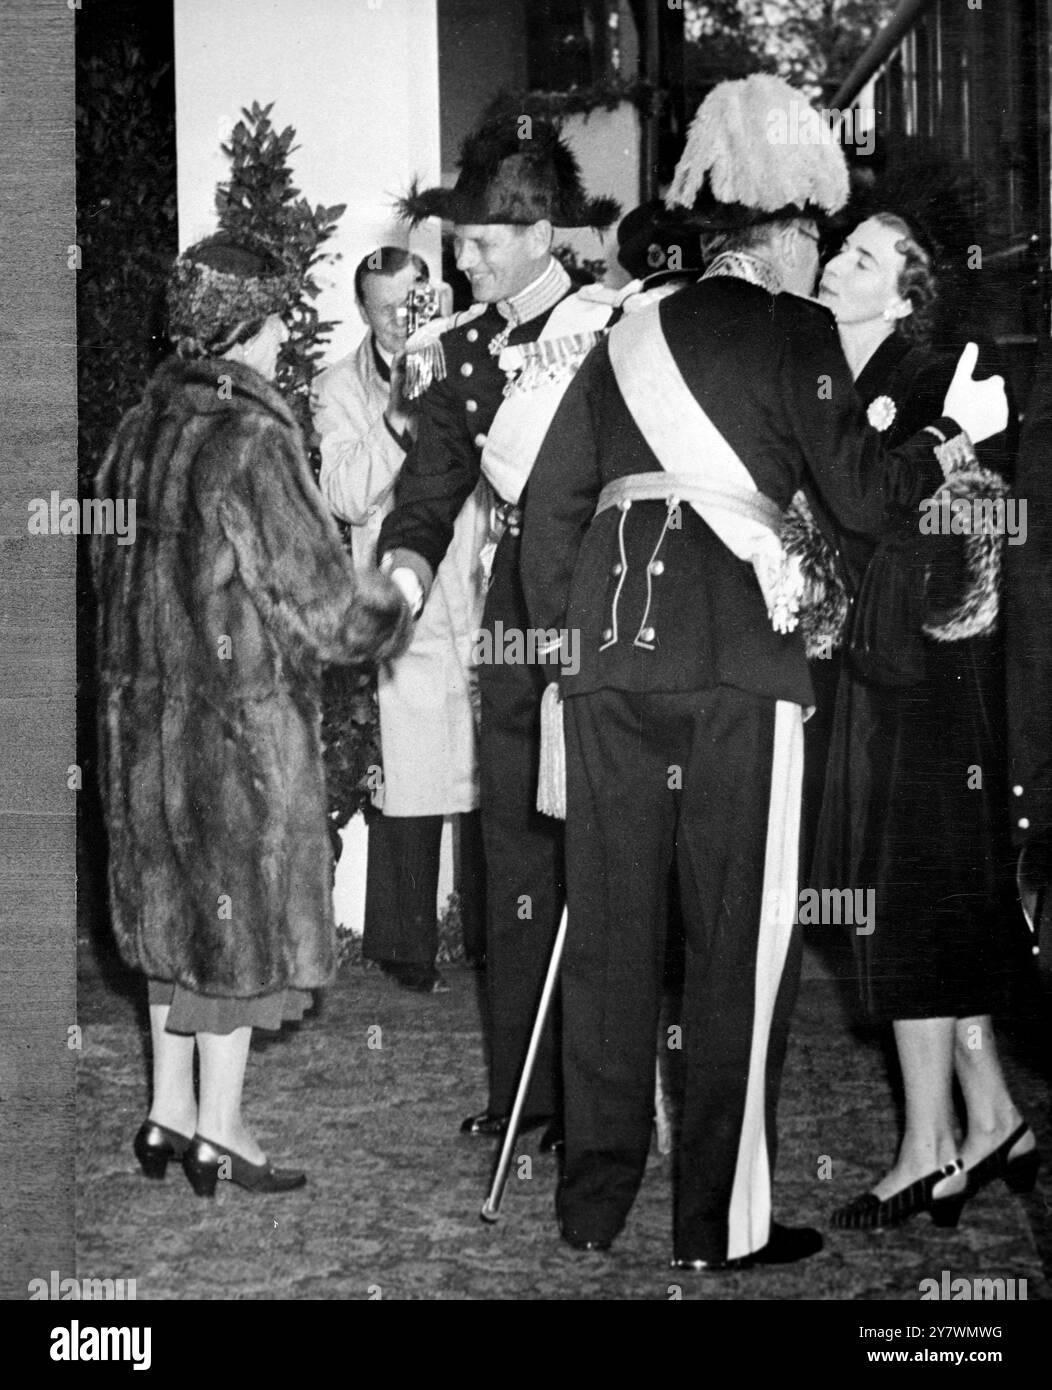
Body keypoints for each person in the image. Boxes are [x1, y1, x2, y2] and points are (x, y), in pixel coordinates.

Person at [519, 74, 1009, 1270]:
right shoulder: (795, 336)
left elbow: (547, 507)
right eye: (814, 244)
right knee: (737, 945)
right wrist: (955, 434)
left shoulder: (626, 331)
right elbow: (862, 496)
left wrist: (559, 651)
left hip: (608, 658)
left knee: (608, 938)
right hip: (742, 666)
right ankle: (716, 1225)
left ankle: (589, 1206)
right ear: (782, 238)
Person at [93, 233, 410, 1196]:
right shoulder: (251, 442)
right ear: (256, 326)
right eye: (280, 323)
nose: (283, 342)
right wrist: (393, 595)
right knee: (230, 932)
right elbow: (322, 605)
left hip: (142, 734)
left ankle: (166, 1113)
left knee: (170, 917)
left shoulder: (133, 436)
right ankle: (221, 1130)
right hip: (231, 734)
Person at [377, 115, 619, 1146]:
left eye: (478, 240)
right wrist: (397, 576)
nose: (461, 258)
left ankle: (604, 1090)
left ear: (537, 231)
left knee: (607, 858)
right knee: (514, 856)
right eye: (458, 239)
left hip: (612, 622)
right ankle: (530, 1088)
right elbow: (427, 494)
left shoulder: (616, 329)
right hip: (513, 628)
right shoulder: (457, 352)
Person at [809, 212, 1037, 1230]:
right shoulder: (827, 374)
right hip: (869, 671)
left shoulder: (948, 369)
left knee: (911, 904)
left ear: (902, 294)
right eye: (839, 247)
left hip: (932, 682)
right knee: (930, 903)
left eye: (859, 258)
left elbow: (969, 524)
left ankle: (925, 1144)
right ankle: (988, 1118)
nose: (831, 263)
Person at [313, 247, 488, 993]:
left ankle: (490, 938)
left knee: (489, 767)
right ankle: (404, 946)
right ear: (363, 311)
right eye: (385, 308)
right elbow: (347, 494)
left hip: (473, 580)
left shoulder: (468, 355)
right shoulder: (337, 387)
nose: (399, 320)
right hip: (398, 587)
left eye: (412, 303)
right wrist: (394, 425)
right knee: (407, 775)